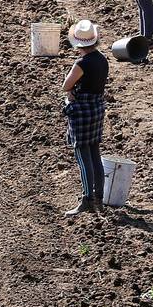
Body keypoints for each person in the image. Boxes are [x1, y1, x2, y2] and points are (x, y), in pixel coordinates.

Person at [60, 19, 109, 217]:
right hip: (96, 108)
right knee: (95, 154)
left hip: (82, 111)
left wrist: (70, 92)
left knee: (82, 155)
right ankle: (99, 198)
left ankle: (87, 198)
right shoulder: (102, 59)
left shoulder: (82, 63)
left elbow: (66, 85)